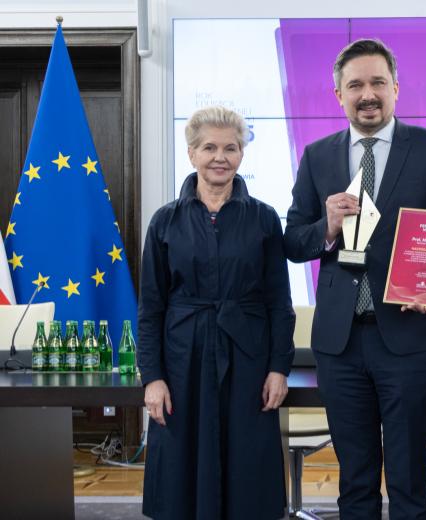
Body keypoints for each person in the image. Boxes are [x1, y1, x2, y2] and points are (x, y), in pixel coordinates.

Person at [283, 39, 426, 519]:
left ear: (396, 89)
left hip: (408, 337)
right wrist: (325, 226)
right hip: (339, 344)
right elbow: (294, 241)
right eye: (356, 85)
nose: (368, 94)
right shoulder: (318, 155)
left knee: (408, 479)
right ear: (338, 94)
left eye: (377, 83)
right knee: (355, 479)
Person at [137, 106, 295, 520]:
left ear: (242, 153)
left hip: (248, 358)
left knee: (247, 465)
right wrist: (152, 378)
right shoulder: (164, 222)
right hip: (181, 361)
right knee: (181, 467)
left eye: (231, 148)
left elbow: (279, 301)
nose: (219, 157)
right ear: (191, 153)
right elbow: (150, 308)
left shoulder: (263, 217)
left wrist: (279, 367)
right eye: (209, 147)